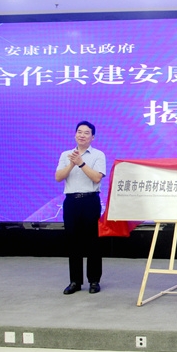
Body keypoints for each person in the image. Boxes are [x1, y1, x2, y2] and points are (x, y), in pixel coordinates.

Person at [55, 121, 107, 295]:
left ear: (93, 137)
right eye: (79, 132)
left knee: (93, 241)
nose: (82, 135)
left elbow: (97, 178)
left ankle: (94, 281)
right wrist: (72, 163)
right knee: (73, 241)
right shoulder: (66, 155)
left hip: (90, 200)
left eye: (86, 133)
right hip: (71, 202)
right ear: (75, 134)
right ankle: (75, 281)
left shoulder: (98, 155)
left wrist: (81, 163)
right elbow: (58, 177)